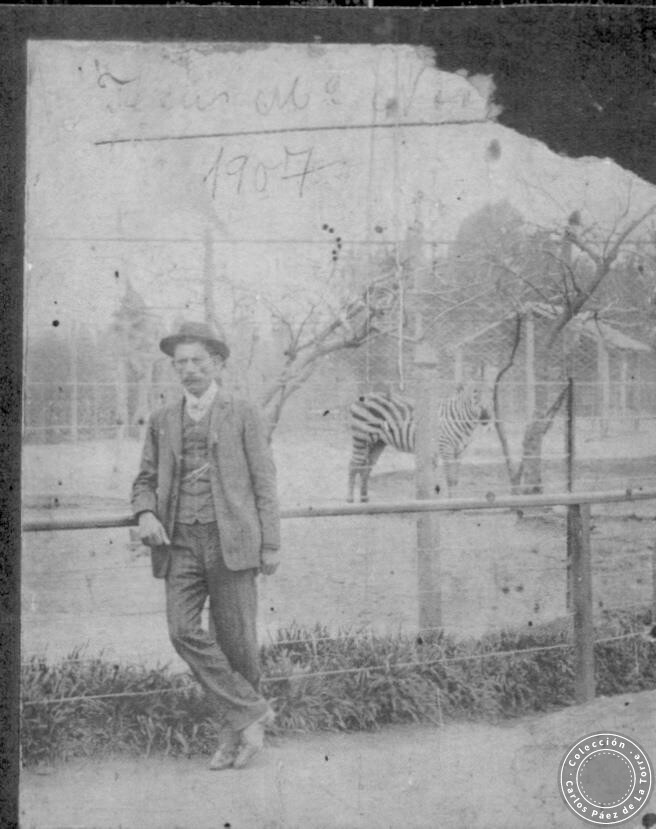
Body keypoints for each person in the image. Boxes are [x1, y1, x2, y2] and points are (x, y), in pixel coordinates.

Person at [131, 320, 281, 770]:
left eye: (198, 360)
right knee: (181, 630)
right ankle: (252, 710)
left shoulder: (244, 412)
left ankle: (231, 739)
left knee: (237, 643)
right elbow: (143, 479)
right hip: (180, 542)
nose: (189, 369)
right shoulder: (161, 419)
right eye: (181, 362)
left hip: (232, 539)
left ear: (217, 363)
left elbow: (264, 482)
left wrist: (270, 544)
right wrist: (145, 513)